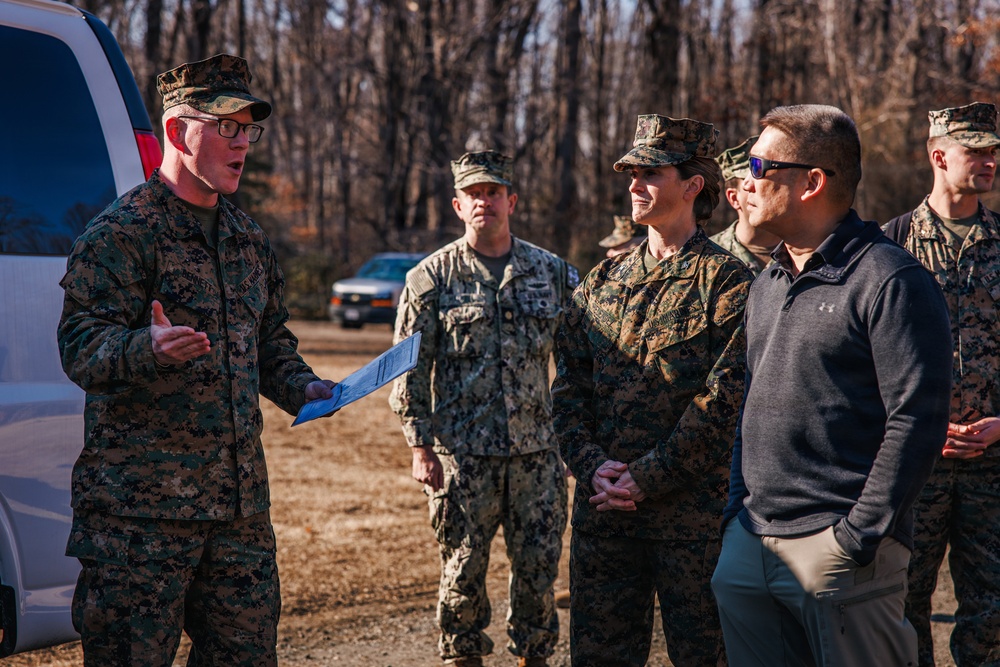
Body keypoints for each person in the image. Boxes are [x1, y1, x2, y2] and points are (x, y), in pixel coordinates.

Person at [56, 54, 336, 666]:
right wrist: (145, 348)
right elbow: (79, 346)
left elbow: (269, 343)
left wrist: (305, 387)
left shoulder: (248, 240)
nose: (241, 145)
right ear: (179, 132)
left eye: (248, 130)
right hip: (140, 520)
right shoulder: (122, 234)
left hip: (238, 515)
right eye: (226, 127)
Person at [710, 104, 954, 666]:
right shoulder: (769, 281)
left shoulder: (891, 279)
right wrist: (736, 516)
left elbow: (917, 420)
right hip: (751, 542)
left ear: (812, 182)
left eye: (759, 165)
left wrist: (857, 537)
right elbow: (751, 405)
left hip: (839, 553)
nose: (746, 180)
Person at [551, 114, 752, 666]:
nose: (635, 186)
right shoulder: (600, 282)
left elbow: (722, 405)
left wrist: (646, 477)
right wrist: (593, 466)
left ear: (692, 186)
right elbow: (568, 391)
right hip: (604, 516)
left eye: (651, 174)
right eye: (632, 175)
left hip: (691, 522)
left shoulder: (728, 283)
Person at [389, 150, 576, 667]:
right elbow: (409, 369)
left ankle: (534, 657)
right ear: (457, 205)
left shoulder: (553, 273)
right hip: (462, 458)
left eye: (494, 192)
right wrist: (419, 446)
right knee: (462, 573)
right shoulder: (430, 278)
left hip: (538, 455)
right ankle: (462, 658)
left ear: (511, 201)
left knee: (539, 573)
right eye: (473, 193)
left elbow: (580, 364)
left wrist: (574, 439)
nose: (484, 202)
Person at [885, 101, 1000, 667]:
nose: (988, 161)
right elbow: (866, 358)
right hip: (914, 464)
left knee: (993, 611)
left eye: (993, 151)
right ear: (938, 157)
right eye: (974, 150)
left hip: (992, 463)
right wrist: (918, 426)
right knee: (902, 605)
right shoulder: (891, 246)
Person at [710, 135, 781, 274]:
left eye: (769, 179)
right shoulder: (710, 255)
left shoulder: (805, 251)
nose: (764, 187)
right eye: (753, 182)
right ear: (734, 198)